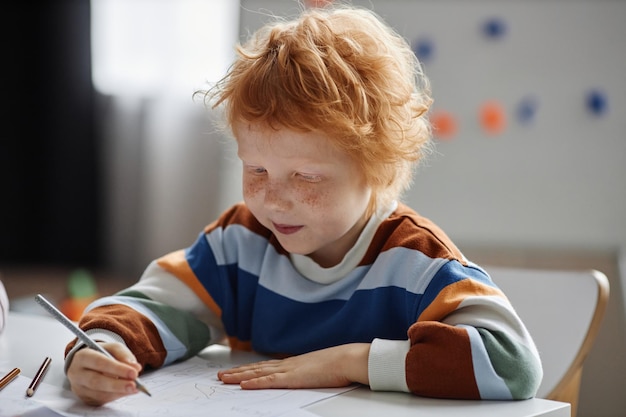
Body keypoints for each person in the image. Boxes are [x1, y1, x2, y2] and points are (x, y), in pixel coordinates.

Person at [65, 4, 543, 406]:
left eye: (307, 176)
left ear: (376, 169)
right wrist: (103, 349)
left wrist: (349, 361)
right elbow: (144, 307)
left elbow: (512, 364)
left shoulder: (415, 263)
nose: (272, 198)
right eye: (255, 170)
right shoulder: (240, 243)